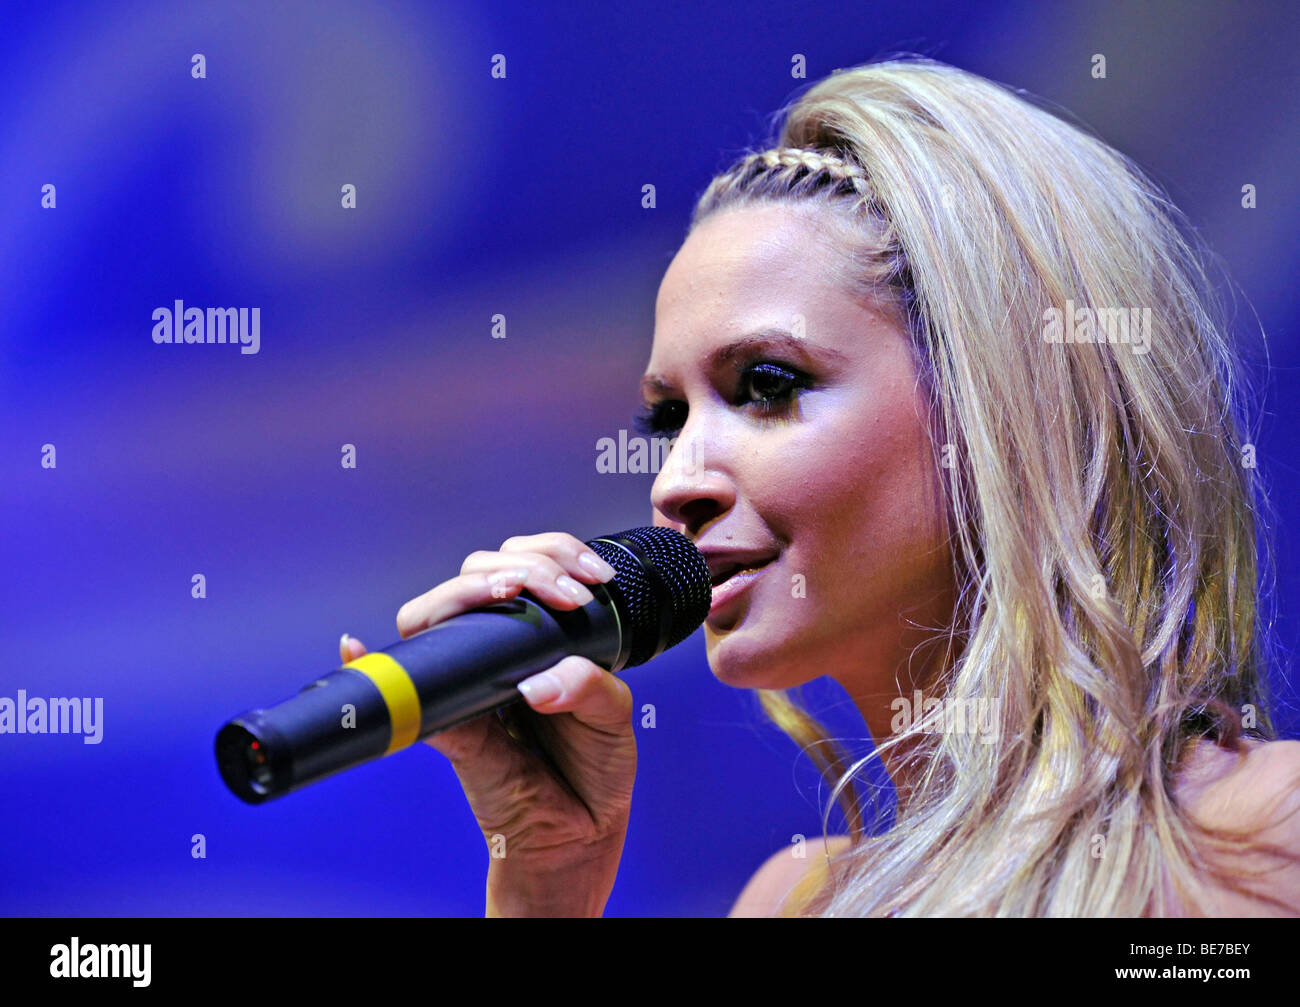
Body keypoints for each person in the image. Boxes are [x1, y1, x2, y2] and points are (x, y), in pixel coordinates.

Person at [341, 55, 1300, 917]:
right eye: (667, 419)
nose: (674, 482)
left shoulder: (1270, 836)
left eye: (766, 385)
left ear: (1002, 406)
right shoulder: (791, 901)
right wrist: (546, 881)